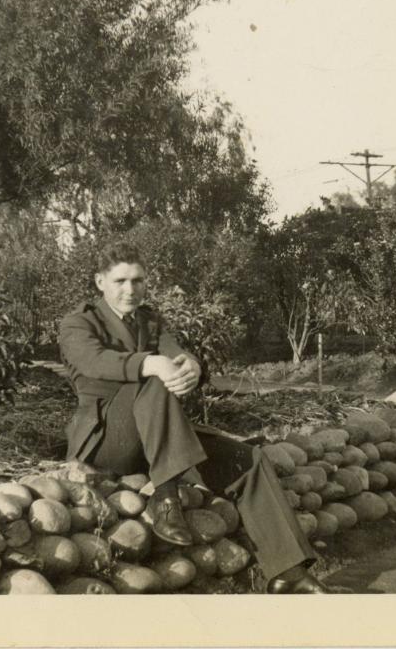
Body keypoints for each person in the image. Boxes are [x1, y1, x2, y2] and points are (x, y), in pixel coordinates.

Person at [58, 241, 329, 594]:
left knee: (247, 461)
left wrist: (192, 365)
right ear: (100, 282)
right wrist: (149, 363)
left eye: (138, 280)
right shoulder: (78, 323)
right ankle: (166, 499)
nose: (130, 289)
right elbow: (95, 362)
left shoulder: (149, 320)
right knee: (154, 379)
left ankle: (289, 571)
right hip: (107, 440)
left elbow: (176, 354)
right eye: (120, 280)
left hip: (159, 437)